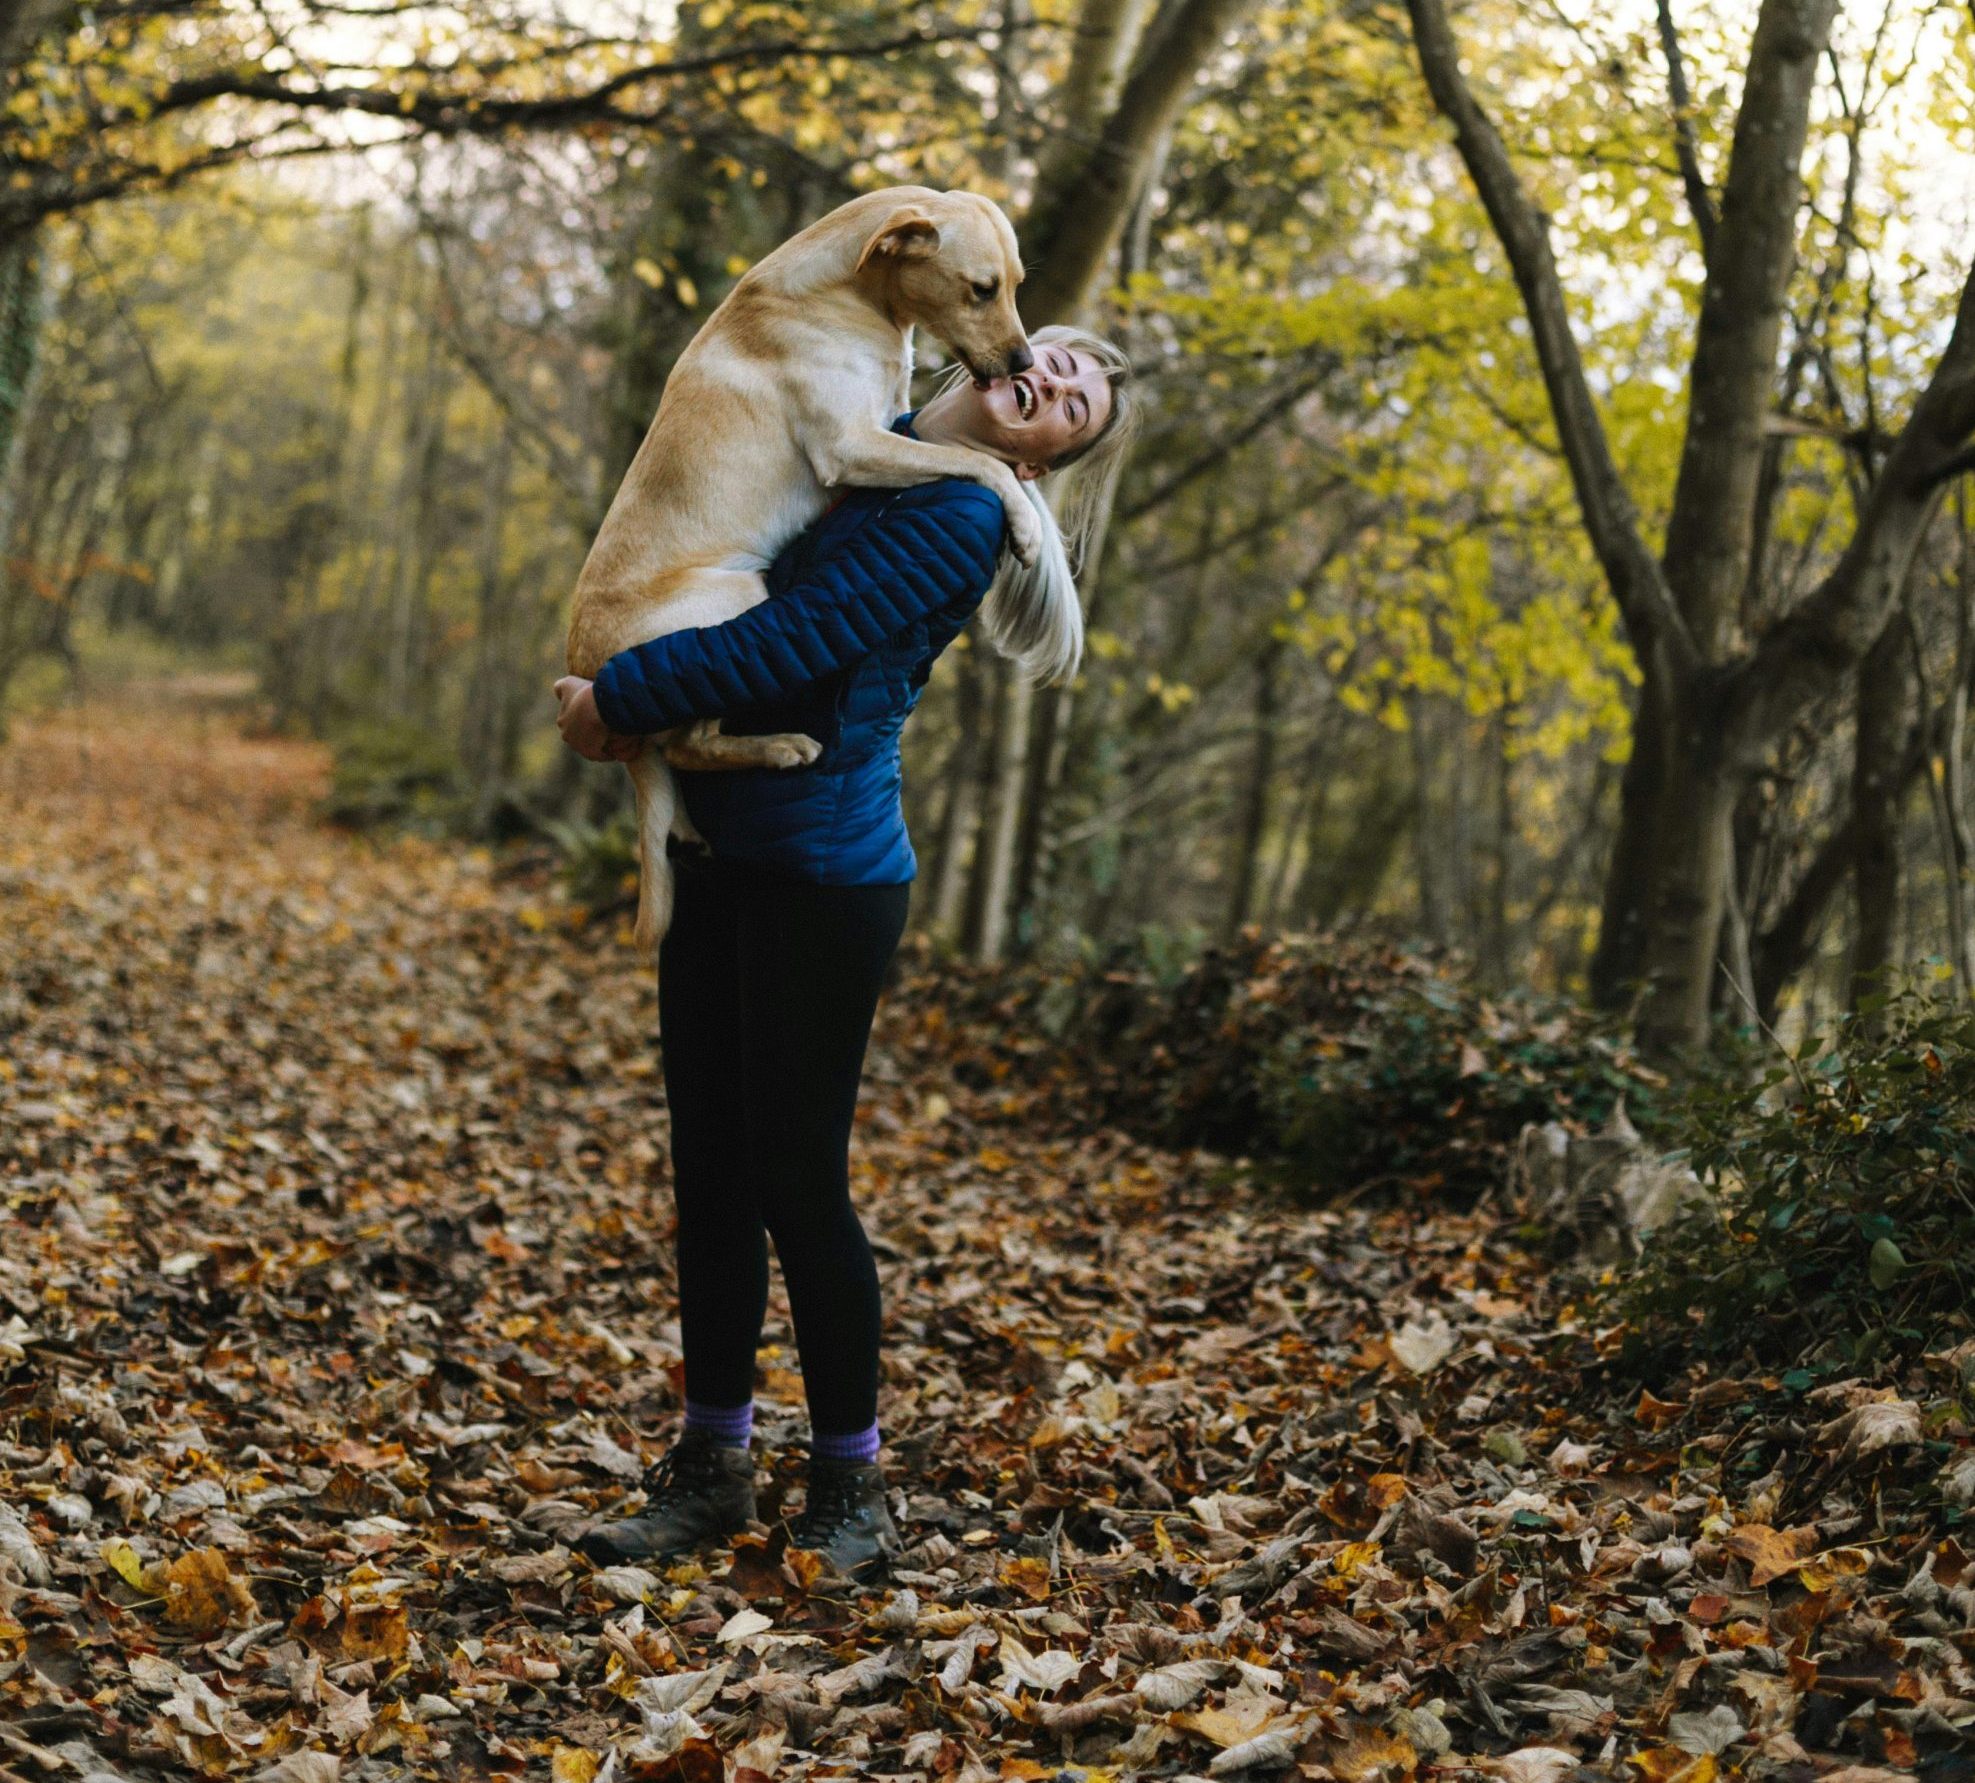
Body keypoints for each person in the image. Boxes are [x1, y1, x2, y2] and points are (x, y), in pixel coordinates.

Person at [553, 325, 1138, 1578]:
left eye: (1074, 406)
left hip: (825, 880)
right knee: (707, 1170)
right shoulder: (859, 452)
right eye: (1059, 357)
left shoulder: (956, 523)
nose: (1054, 380)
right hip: (718, 852)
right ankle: (711, 1468)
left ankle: (850, 1487)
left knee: (792, 1179)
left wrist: (621, 700)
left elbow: (789, 648)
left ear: (1042, 460)